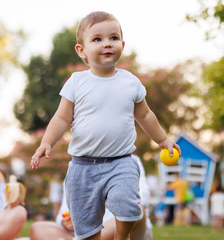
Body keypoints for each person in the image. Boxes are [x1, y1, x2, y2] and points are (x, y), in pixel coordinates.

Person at [30, 11, 180, 240]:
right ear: (82, 50)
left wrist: (163, 140)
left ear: (122, 44)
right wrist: (46, 142)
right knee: (87, 229)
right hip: (82, 168)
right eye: (97, 39)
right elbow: (61, 118)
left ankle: (121, 237)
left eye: (113, 38)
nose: (107, 44)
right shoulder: (77, 82)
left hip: (120, 162)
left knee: (128, 206)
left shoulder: (131, 82)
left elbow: (146, 116)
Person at [30, 155, 153, 240]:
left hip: (121, 233)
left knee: (137, 209)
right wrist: (65, 222)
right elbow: (64, 212)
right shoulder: (75, 169)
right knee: (38, 228)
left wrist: (103, 197)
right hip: (82, 233)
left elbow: (143, 199)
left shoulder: (130, 161)